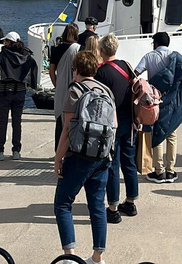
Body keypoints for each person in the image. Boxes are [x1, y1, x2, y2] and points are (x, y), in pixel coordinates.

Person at [54, 51, 116, 264]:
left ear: (76, 70)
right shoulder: (106, 91)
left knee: (63, 203)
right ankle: (98, 257)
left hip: (78, 155)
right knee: (97, 205)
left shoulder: (75, 91)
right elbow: (113, 126)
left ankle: (69, 257)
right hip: (102, 156)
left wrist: (58, 159)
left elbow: (66, 131)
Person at [136, 31, 182, 183]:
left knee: (158, 134)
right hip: (174, 99)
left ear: (155, 43)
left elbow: (136, 72)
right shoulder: (175, 56)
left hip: (156, 100)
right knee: (172, 134)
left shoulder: (149, 56)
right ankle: (171, 170)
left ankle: (159, 171)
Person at [95, 33, 138, 224]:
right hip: (129, 122)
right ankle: (130, 201)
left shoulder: (102, 72)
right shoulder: (126, 66)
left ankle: (112, 208)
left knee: (112, 165)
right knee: (129, 162)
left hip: (112, 124)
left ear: (102, 50)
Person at [0, 31, 38, 161]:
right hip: (20, 91)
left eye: (5, 41)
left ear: (9, 42)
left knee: (2, 121)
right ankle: (16, 151)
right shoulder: (26, 55)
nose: (4, 43)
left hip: (4, 91)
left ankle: (0, 151)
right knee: (17, 122)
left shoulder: (4, 54)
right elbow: (33, 69)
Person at [50, 23, 80, 149]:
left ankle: (58, 148)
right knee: (74, 118)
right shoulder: (78, 49)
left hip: (61, 86)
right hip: (75, 86)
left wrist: (56, 84)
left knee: (59, 119)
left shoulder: (56, 49)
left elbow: (52, 71)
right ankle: (70, 148)